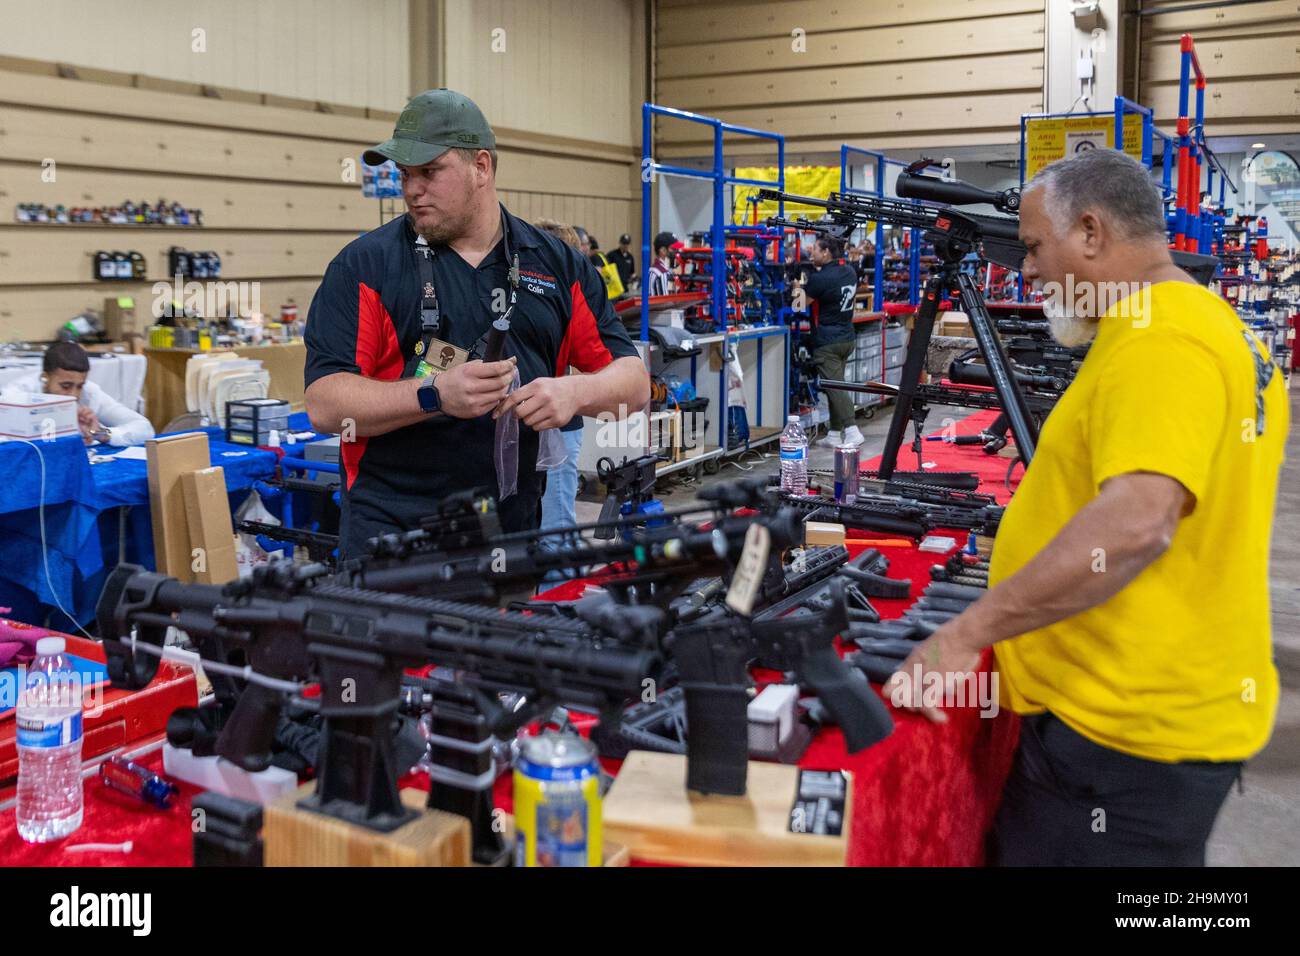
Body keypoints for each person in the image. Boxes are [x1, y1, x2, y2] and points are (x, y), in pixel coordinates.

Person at [887, 149, 1289, 866]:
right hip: (1163, 715)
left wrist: (967, 633)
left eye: (1037, 247)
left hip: (1123, 741)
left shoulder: (1159, 341)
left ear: (1093, 233)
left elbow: (1138, 523)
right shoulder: (1209, 323)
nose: (1028, 270)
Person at [303, 89, 649, 560]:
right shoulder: (365, 267)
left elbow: (634, 384)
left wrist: (574, 394)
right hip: (394, 544)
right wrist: (433, 394)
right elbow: (325, 405)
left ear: (481, 167)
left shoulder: (556, 266)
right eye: (404, 175)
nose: (411, 190)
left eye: (429, 172)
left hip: (510, 539)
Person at [531, 218, 588, 567]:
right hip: (529, 427)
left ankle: (561, 609)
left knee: (555, 527)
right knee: (542, 526)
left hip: (556, 427)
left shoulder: (563, 298)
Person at [0, 341, 154, 446]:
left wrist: (98, 433)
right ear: (45, 377)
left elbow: (144, 428)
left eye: (79, 386)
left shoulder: (90, 392)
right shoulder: (15, 396)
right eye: (65, 386)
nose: (74, 395)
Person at [799, 236, 863, 448]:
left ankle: (852, 431)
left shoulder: (820, 279)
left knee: (835, 388)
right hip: (847, 338)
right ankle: (835, 434)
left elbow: (798, 305)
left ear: (825, 252)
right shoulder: (850, 271)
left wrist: (797, 286)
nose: (811, 254)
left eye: (815, 250)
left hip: (827, 342)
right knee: (836, 385)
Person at [646, 231, 678, 297]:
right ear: (663, 250)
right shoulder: (661, 273)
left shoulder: (661, 270)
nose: (676, 252)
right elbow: (666, 303)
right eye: (673, 249)